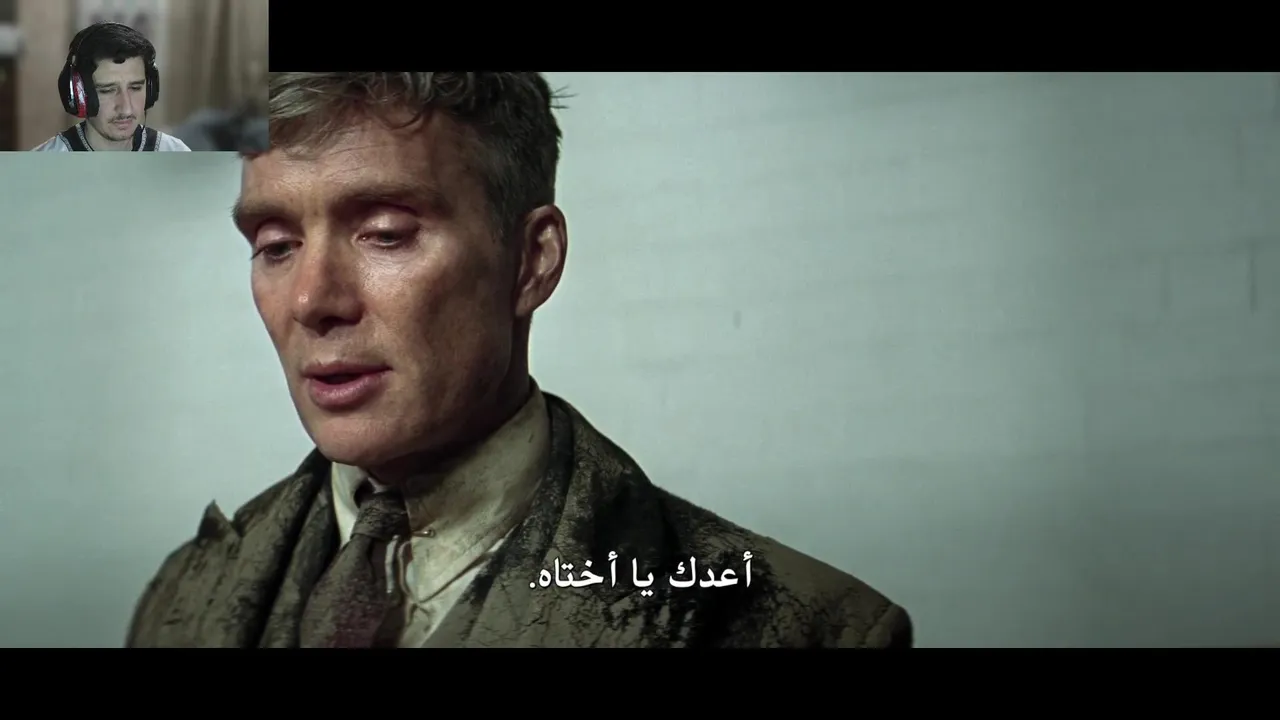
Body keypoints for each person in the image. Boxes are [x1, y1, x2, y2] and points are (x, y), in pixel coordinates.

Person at [125, 72, 913, 648]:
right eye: (275, 245)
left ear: (532, 261)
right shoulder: (180, 598)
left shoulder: (805, 627)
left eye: (386, 233)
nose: (312, 299)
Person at [32, 22, 190, 152]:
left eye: (135, 88)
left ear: (150, 90)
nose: (126, 109)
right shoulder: (43, 166)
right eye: (107, 90)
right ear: (79, 95)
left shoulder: (175, 154)